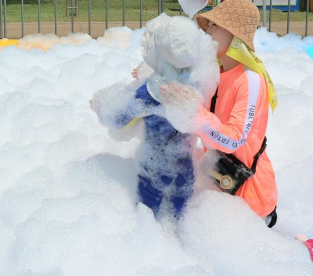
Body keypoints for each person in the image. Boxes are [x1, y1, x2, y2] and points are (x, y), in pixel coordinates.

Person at [157, 0, 278, 226]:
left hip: (247, 196)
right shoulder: (214, 72)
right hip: (217, 182)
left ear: (234, 36)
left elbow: (233, 140)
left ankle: (302, 246)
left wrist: (193, 113)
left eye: (214, 26)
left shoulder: (250, 80)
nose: (207, 32)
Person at [91, 14, 219, 220]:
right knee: (179, 217)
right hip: (184, 170)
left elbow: (118, 117)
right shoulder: (201, 80)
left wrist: (99, 106)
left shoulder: (151, 90)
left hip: (154, 169)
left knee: (148, 218)